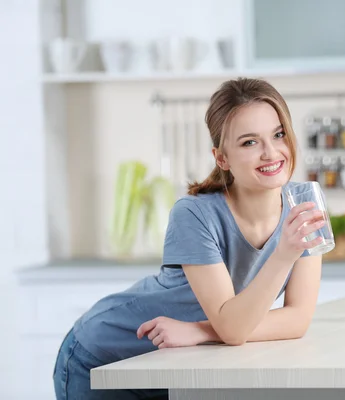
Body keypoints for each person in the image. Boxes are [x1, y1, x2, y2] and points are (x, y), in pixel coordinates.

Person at [53, 77, 326, 400]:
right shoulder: (194, 215)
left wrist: (199, 331)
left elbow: (297, 319)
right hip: (106, 359)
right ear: (222, 158)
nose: (271, 152)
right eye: (249, 142)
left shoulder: (303, 204)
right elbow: (233, 329)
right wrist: (284, 254)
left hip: (182, 363)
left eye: (278, 134)